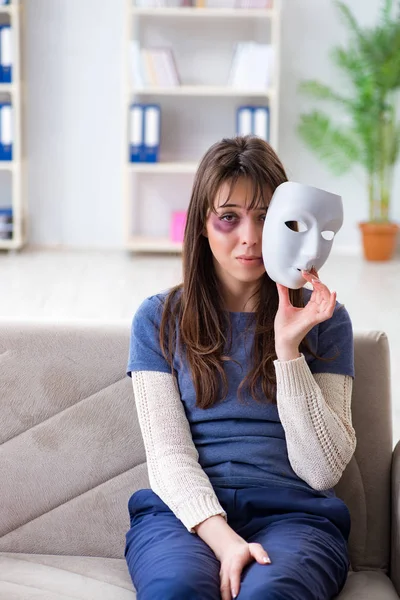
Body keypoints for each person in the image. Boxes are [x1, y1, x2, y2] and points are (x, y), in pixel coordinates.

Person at [125, 135, 356, 600]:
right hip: (185, 516)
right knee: (176, 591)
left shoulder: (327, 321)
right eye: (228, 217)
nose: (250, 237)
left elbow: (322, 471)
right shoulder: (157, 319)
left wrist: (288, 349)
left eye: (267, 217)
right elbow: (168, 458)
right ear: (201, 227)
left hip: (295, 516)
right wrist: (226, 540)